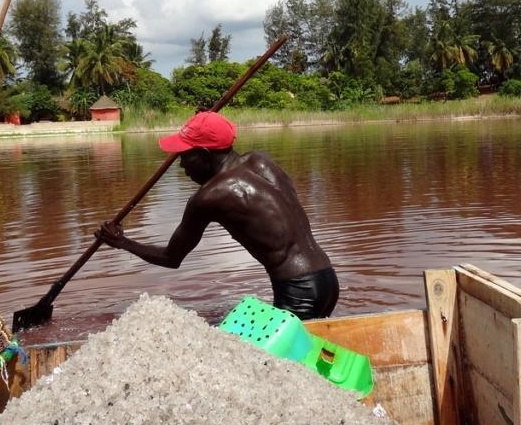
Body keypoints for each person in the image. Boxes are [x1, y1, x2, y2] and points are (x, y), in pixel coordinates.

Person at [94, 111, 339, 319]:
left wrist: (122, 242)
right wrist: (207, 123)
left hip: (298, 291)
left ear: (203, 154)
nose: (182, 167)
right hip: (327, 278)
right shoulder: (261, 160)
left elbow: (171, 258)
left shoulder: (209, 197)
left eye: (185, 158)